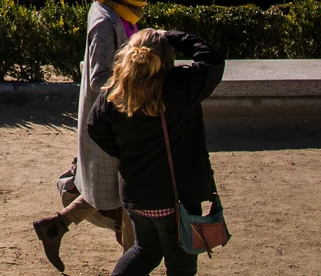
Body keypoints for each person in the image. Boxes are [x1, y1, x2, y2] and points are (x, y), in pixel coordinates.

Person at [30, 0, 147, 271]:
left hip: (120, 116)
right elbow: (98, 78)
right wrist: (138, 87)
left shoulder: (122, 8)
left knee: (110, 188)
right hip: (112, 121)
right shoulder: (105, 18)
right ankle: (132, 263)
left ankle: (55, 226)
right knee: (125, 192)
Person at [87, 29, 228, 276]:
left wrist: (124, 152)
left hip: (136, 195)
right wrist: (171, 35)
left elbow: (95, 127)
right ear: (166, 56)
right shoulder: (181, 86)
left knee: (145, 252)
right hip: (176, 197)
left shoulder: (114, 92)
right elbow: (212, 59)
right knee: (180, 266)